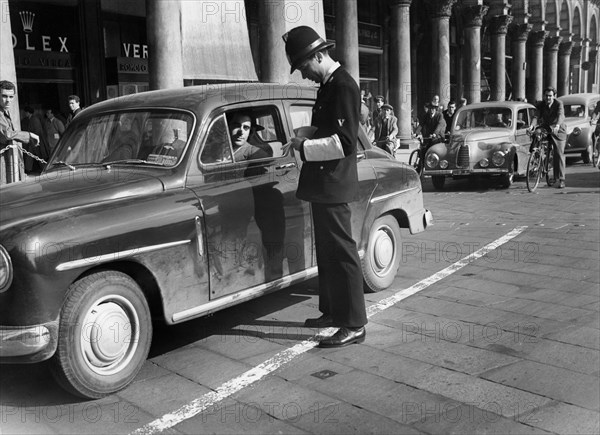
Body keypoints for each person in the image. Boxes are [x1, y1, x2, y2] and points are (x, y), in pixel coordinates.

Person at [282, 25, 367, 348]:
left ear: (319, 55)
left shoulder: (343, 86)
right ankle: (333, 311)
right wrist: (306, 132)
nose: (305, 75)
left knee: (342, 252)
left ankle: (355, 323)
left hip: (334, 184)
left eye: (305, 67)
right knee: (328, 252)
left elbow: (344, 143)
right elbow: (328, 127)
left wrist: (303, 148)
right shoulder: (329, 85)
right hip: (324, 184)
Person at [0, 80, 39, 183]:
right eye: (4, 96)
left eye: (11, 97)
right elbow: (7, 134)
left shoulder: (4, 112)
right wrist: (29, 135)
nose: (8, 100)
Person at [529, 86, 567, 188]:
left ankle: (561, 179)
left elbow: (560, 115)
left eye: (550, 96)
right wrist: (532, 125)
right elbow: (536, 116)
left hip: (558, 130)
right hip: (546, 127)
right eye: (546, 96)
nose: (548, 98)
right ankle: (536, 154)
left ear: (554, 96)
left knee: (558, 154)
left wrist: (558, 125)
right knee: (536, 132)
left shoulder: (559, 104)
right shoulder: (541, 104)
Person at [20, 106, 45, 173]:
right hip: (32, 140)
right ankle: (29, 169)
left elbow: (37, 131)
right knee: (33, 155)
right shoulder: (30, 119)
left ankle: (42, 168)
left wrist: (34, 139)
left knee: (38, 155)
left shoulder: (34, 119)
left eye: (26, 112)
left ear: (28, 112)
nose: (25, 114)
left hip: (35, 141)